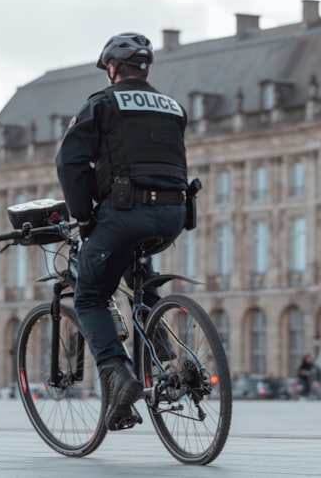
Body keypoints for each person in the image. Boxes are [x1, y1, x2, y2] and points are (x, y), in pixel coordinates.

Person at [55, 32, 189, 430]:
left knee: (90, 296)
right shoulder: (173, 108)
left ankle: (117, 374)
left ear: (112, 69)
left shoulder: (102, 103)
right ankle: (161, 348)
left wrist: (83, 217)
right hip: (173, 215)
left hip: (125, 213)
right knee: (138, 276)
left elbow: (70, 163)